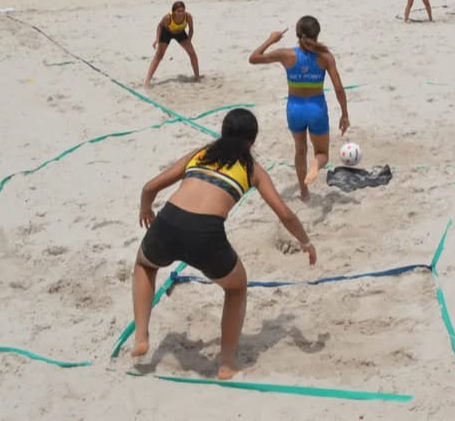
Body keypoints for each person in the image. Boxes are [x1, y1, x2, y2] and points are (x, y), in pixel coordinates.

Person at [130, 108, 316, 380]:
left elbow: (149, 187)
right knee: (237, 287)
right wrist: (306, 242)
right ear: (252, 141)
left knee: (145, 265)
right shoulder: (252, 169)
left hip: (168, 221)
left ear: (223, 131)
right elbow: (285, 214)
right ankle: (227, 363)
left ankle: (141, 337)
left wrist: (146, 210)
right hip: (205, 232)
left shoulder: (200, 153)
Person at [249, 16, 350, 201]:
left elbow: (253, 58)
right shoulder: (325, 57)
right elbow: (339, 89)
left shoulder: (287, 55)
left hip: (295, 109)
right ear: (317, 34)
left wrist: (272, 39)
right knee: (322, 154)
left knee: (300, 149)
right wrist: (344, 114)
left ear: (297, 34)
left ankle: (304, 192)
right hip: (316, 108)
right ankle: (315, 166)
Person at [144, 1, 200, 87]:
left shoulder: (188, 16)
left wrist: (189, 40)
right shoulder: (167, 18)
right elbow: (159, 26)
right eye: (178, 11)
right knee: (159, 56)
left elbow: (191, 29)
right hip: (167, 32)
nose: (181, 13)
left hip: (180, 33)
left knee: (192, 53)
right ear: (174, 11)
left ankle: (197, 77)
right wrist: (157, 39)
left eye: (182, 10)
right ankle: (147, 81)